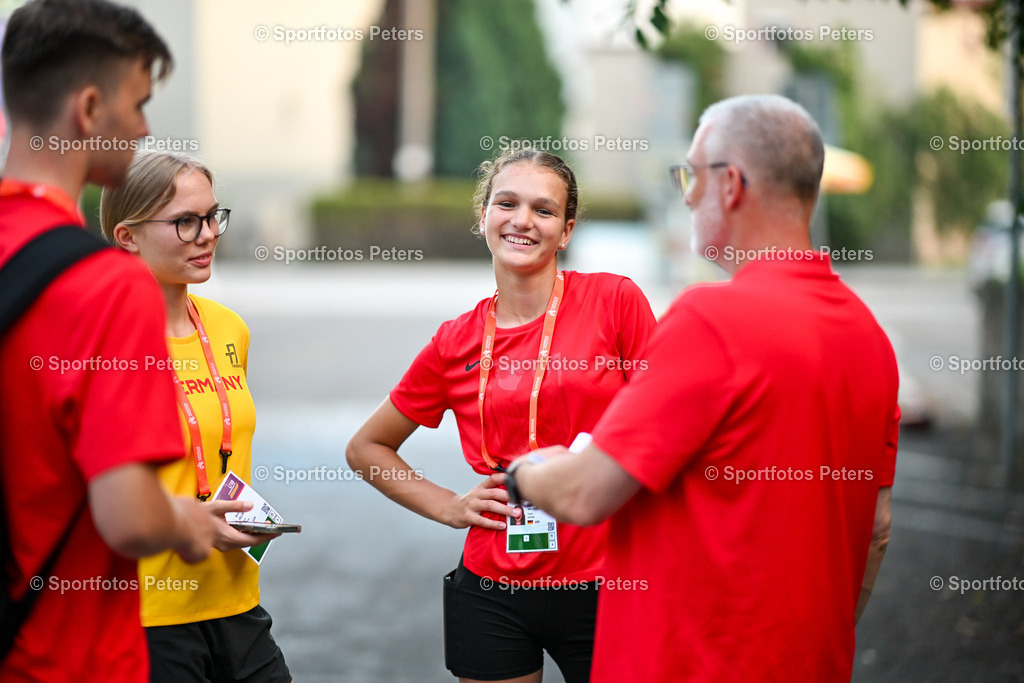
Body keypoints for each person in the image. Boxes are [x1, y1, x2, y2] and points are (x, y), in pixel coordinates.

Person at [504, 95, 899, 682]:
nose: (686, 194)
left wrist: (526, 473)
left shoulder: (712, 321)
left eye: (691, 174)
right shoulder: (869, 337)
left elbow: (587, 495)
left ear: (732, 184)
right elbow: (877, 529)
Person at [0, 1, 249, 680]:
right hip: (66, 653)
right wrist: (191, 522)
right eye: (137, 106)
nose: (143, 128)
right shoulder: (108, 285)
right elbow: (131, 519)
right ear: (87, 108)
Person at [346, 148, 656, 683]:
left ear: (566, 230)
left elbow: (665, 423)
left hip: (609, 579)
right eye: (506, 203)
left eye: (544, 209)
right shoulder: (455, 341)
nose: (522, 221)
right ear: (484, 216)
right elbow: (366, 448)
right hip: (492, 588)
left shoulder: (615, 301)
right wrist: (449, 505)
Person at [100, 150, 292, 683]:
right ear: (127, 236)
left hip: (237, 603)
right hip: (149, 618)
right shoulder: (104, 343)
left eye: (212, 216)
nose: (207, 234)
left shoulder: (229, 327)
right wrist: (188, 517)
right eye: (185, 221)